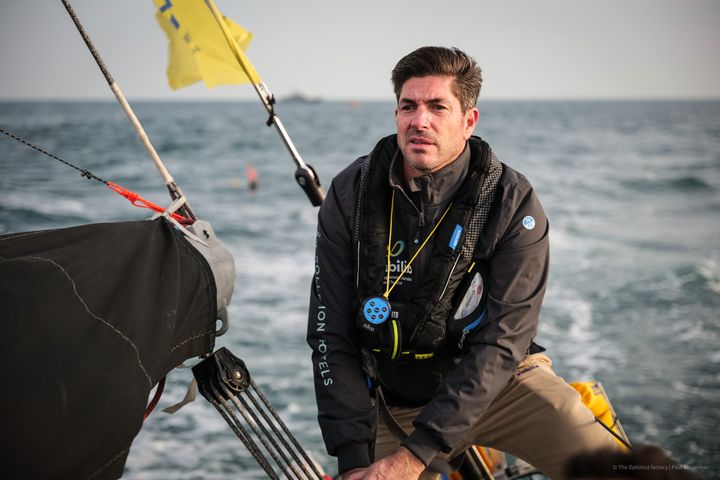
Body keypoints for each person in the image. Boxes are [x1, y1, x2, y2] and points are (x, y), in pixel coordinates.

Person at [307, 46, 621, 480]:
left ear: (468, 121)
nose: (420, 120)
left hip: (500, 384)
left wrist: (414, 457)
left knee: (619, 469)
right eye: (408, 106)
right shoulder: (351, 194)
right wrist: (353, 461)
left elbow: (502, 342)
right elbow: (330, 333)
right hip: (396, 396)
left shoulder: (513, 203)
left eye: (438, 106)